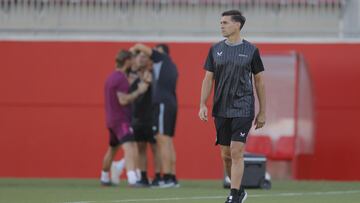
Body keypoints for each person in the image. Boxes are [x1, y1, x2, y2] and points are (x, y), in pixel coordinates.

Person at [199, 10, 266, 203]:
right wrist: (202, 104)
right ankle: (239, 189)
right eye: (220, 22)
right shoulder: (214, 49)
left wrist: (263, 111)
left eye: (225, 22)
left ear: (237, 25)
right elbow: (208, 78)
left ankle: (234, 195)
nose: (221, 25)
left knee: (237, 151)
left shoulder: (252, 50)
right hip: (221, 108)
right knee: (226, 155)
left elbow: (259, 81)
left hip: (243, 107)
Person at [130, 43, 179, 188]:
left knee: (162, 140)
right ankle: (171, 178)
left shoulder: (162, 58)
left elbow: (140, 46)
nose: (151, 56)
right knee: (167, 141)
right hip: (169, 103)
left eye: (154, 52)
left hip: (163, 103)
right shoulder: (169, 66)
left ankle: (168, 178)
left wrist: (133, 51)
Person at [100, 49, 150, 186]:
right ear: (127, 61)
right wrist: (139, 91)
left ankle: (104, 177)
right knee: (131, 146)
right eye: (133, 58)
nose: (135, 61)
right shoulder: (121, 78)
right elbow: (123, 100)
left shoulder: (111, 77)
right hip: (121, 119)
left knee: (112, 149)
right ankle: (132, 178)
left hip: (111, 119)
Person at [128, 51, 163, 187]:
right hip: (137, 117)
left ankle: (158, 177)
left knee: (155, 148)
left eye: (144, 56)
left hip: (152, 116)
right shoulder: (131, 75)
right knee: (140, 147)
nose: (141, 59)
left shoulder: (153, 74)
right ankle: (142, 177)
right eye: (139, 56)